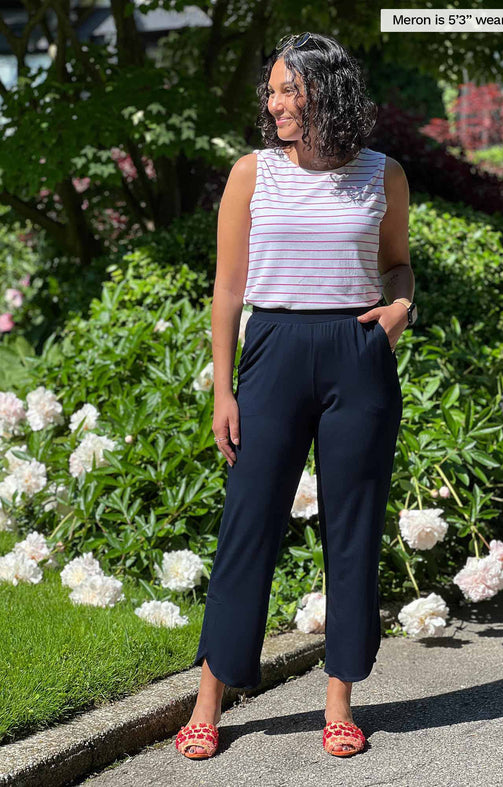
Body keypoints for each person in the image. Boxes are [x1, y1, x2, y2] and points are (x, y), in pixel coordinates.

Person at [175, 31, 416, 760]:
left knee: (352, 530)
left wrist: (400, 308)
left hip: (357, 356)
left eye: (289, 89)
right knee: (247, 526)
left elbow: (399, 267)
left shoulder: (382, 174)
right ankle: (209, 696)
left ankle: (339, 699)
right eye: (272, 90)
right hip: (273, 354)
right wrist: (224, 387)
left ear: (326, 92)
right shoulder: (253, 174)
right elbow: (226, 289)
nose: (274, 103)